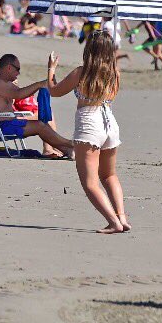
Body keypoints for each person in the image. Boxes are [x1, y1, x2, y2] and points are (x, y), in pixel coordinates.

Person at [49, 33, 127, 233]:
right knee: (109, 175)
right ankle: (122, 217)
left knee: (90, 182)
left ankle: (113, 222)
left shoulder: (81, 72)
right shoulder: (114, 73)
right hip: (109, 121)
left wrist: (51, 70)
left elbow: (54, 91)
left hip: (89, 122)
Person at [0, 54, 74, 158]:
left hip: (4, 124)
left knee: (41, 125)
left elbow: (21, 92)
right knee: (40, 126)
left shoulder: (4, 82)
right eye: (17, 69)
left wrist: (50, 71)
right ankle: (71, 144)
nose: (19, 73)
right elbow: (19, 94)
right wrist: (39, 84)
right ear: (9, 68)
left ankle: (68, 150)